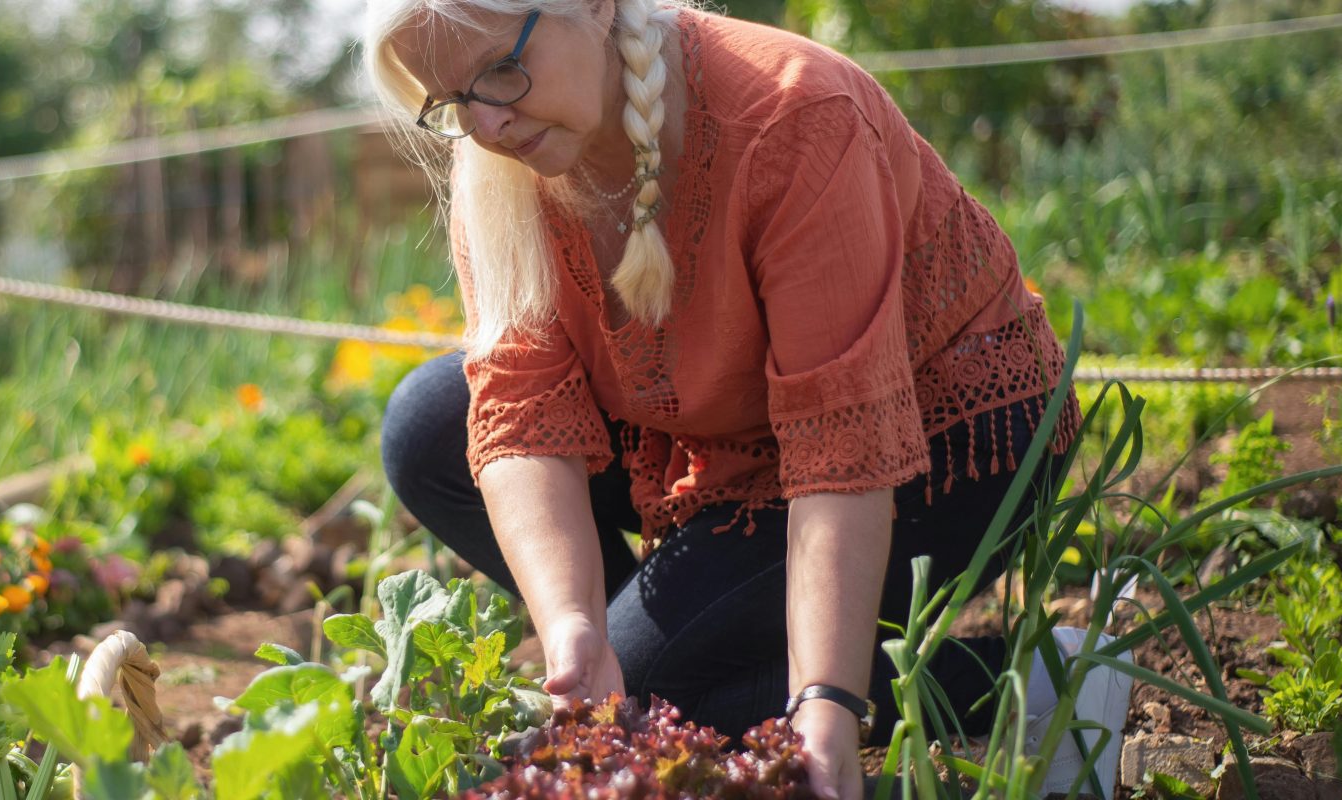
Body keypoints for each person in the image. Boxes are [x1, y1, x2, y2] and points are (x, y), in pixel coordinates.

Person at [364, 1, 1132, 796]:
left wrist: (826, 702)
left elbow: (842, 451)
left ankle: (1043, 681)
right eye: (452, 101)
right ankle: (689, 655)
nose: (486, 123)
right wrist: (575, 626)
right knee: (430, 424)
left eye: (500, 69)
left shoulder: (793, 116)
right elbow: (522, 407)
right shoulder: (501, 160)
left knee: (661, 690)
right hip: (727, 439)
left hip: (946, 439)